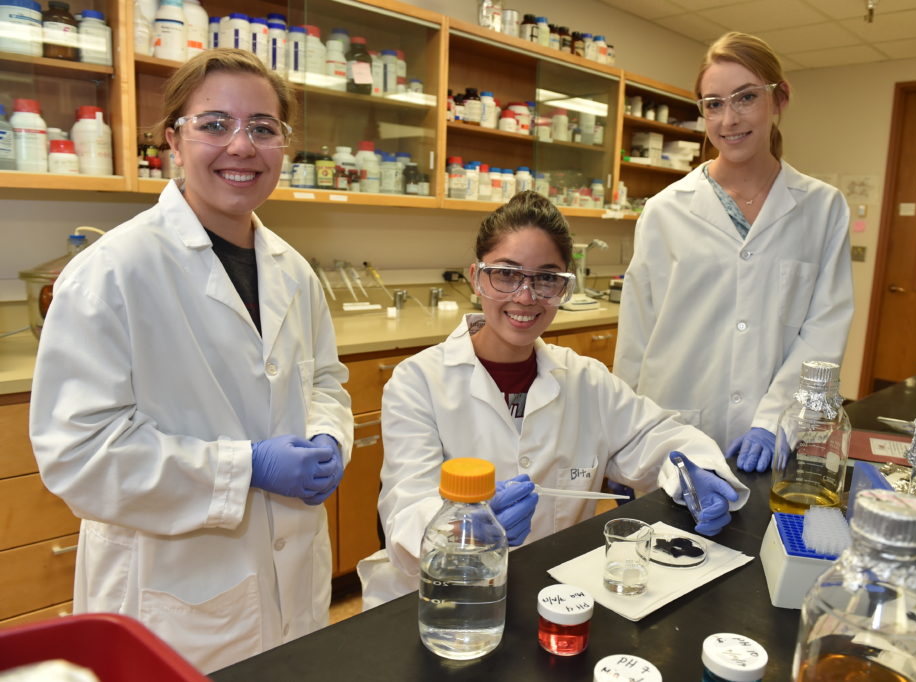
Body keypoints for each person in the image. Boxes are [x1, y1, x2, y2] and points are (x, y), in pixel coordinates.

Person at [29, 49, 353, 673]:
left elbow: (325, 380)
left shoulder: (293, 269)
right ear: (173, 140)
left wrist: (329, 434)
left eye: (263, 127)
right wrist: (246, 468)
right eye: (214, 124)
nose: (242, 146)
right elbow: (80, 454)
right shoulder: (113, 272)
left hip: (290, 567)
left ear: (284, 144)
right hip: (172, 592)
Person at [357, 191, 749, 608]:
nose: (526, 297)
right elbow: (406, 513)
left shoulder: (585, 380)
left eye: (546, 278)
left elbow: (657, 437)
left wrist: (697, 474)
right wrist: (467, 530)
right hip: (442, 604)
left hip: (556, 599)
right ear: (476, 277)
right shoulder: (418, 382)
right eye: (506, 274)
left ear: (564, 286)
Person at [614, 32, 854, 474]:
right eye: (714, 104)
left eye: (745, 98)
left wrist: (775, 421)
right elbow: (636, 338)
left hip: (774, 438)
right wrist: (625, 441)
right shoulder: (666, 210)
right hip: (671, 430)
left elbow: (825, 330)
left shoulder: (822, 208)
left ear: (779, 100)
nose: (729, 119)